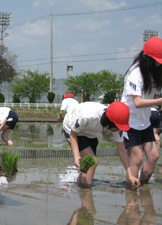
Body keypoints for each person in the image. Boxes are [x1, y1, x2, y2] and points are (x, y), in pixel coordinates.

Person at [63, 101, 139, 187]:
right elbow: (73, 135)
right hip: (71, 128)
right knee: (93, 162)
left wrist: (130, 175)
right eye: (117, 127)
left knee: (87, 166)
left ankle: (81, 188)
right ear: (109, 122)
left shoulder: (116, 126)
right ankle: (87, 193)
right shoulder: (88, 117)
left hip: (90, 132)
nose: (118, 130)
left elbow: (122, 150)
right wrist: (77, 157)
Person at [121, 37, 162, 185]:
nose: (158, 64)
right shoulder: (135, 74)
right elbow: (137, 102)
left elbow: (153, 95)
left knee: (153, 156)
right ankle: (131, 191)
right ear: (146, 57)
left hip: (144, 121)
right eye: (156, 61)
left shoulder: (155, 73)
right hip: (129, 121)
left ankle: (142, 186)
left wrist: (157, 98)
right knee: (137, 158)